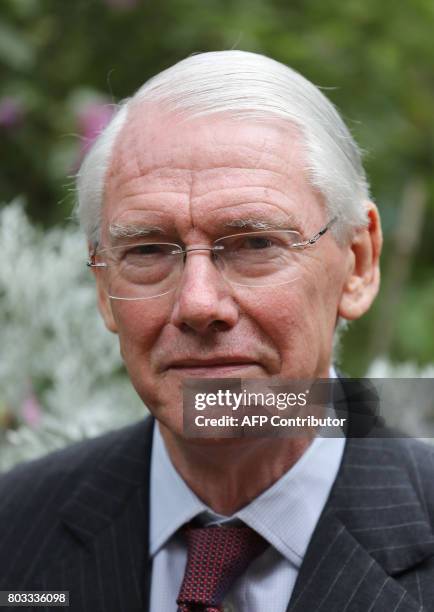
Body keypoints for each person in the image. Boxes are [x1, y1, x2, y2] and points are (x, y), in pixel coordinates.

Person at [1, 50, 433, 612]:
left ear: (358, 263)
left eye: (255, 244)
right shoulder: (16, 533)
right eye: (149, 249)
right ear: (103, 284)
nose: (198, 304)